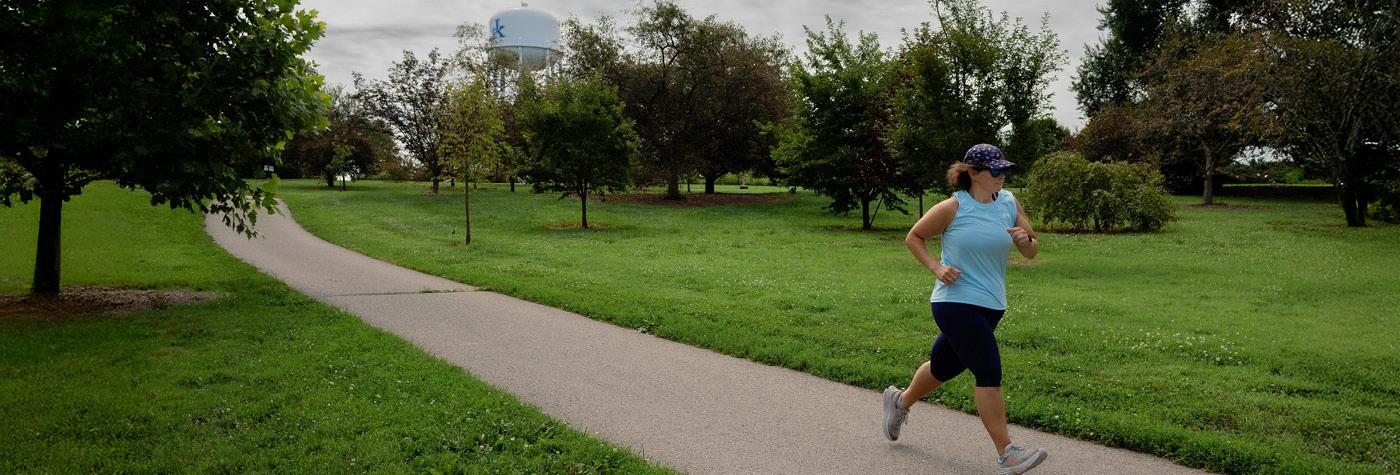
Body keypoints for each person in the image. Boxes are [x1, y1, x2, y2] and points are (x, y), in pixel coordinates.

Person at [881, 143, 1046, 474]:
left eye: (1005, 170)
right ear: (972, 173)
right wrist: (936, 268)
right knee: (988, 370)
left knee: (942, 367)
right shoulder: (953, 207)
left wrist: (1025, 243)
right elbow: (914, 237)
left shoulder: (1010, 203)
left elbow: (1032, 250)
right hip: (954, 301)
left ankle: (900, 402)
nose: (1002, 176)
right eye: (995, 170)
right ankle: (1008, 453)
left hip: (992, 304)